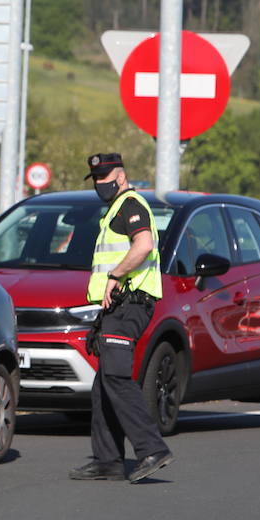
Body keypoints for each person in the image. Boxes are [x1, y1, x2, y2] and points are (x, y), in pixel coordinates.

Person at [69, 153, 175, 483]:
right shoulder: (115, 209)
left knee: (115, 376)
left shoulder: (131, 205)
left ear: (121, 176)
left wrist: (115, 275)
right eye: (96, 179)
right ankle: (108, 460)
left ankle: (152, 449)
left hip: (132, 302)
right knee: (103, 383)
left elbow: (142, 245)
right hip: (118, 306)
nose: (100, 184)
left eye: (105, 178)